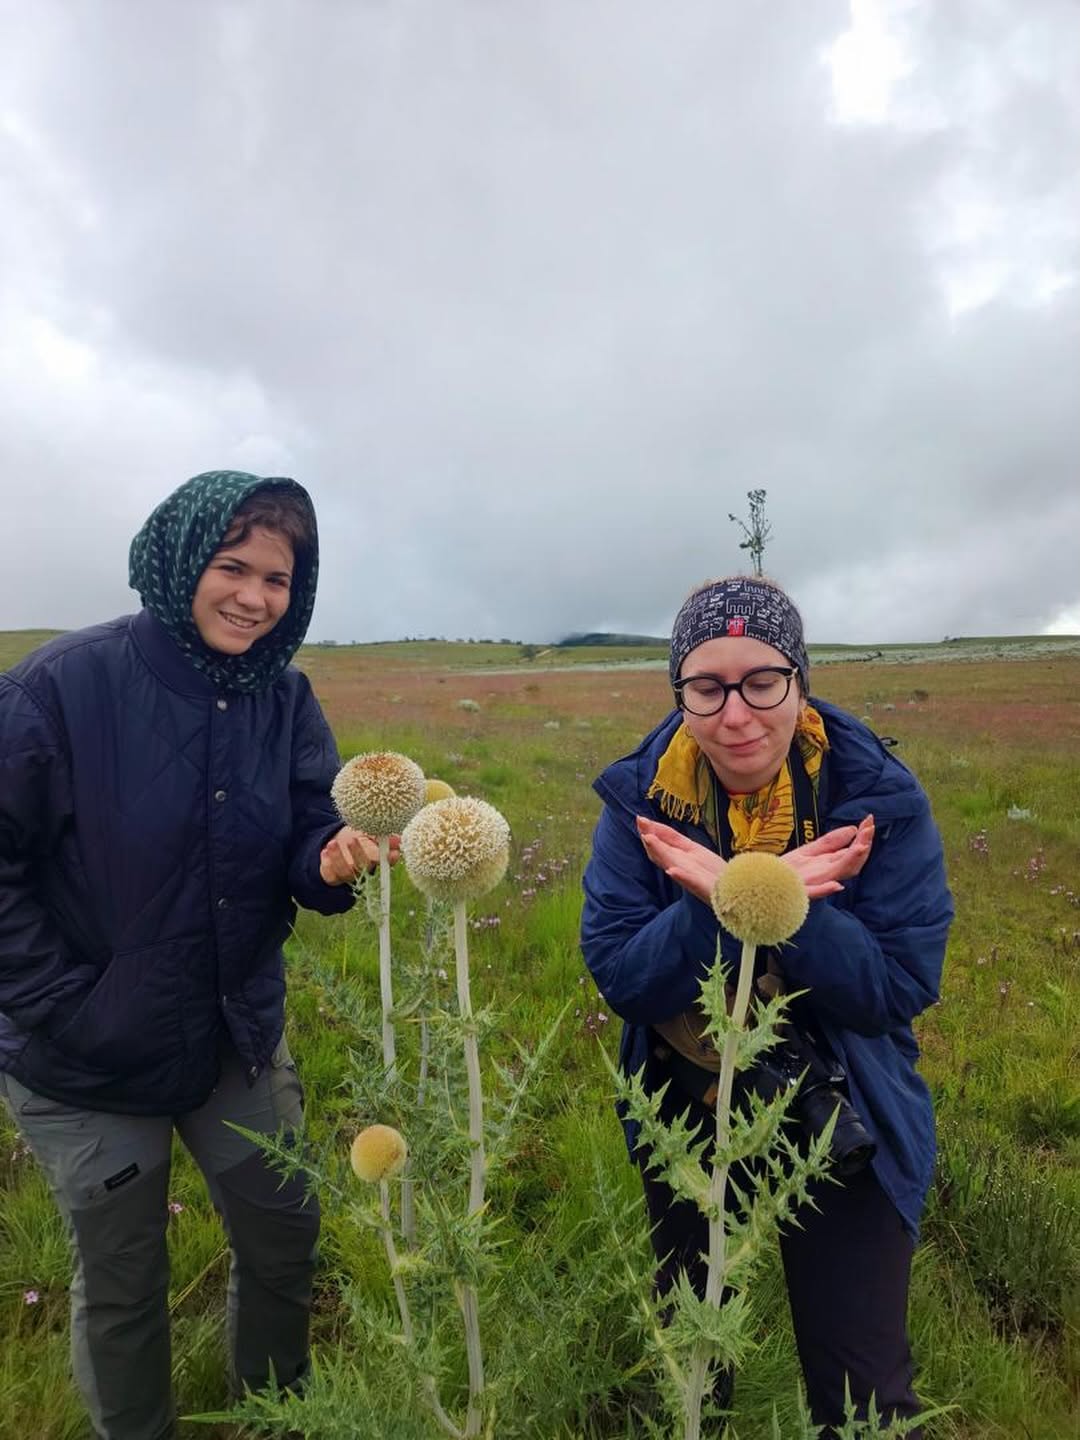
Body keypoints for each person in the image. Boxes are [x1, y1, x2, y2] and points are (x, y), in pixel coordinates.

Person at [0, 470, 388, 1440]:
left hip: (233, 1035)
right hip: (83, 1059)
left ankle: (277, 1406)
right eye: (233, 567)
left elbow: (307, 830)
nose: (255, 598)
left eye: (278, 580)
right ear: (179, 561)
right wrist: (75, 1009)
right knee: (125, 1279)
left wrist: (332, 860)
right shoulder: (58, 689)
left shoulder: (283, 698)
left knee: (284, 1234)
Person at [581, 575, 952, 1437]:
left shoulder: (879, 801)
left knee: (865, 1403)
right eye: (706, 687)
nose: (735, 714)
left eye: (762, 681)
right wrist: (719, 905)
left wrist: (779, 902)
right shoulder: (639, 803)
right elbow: (623, 979)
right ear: (680, 693)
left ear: (800, 680)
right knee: (693, 1376)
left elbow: (897, 988)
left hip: (842, 1113)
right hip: (690, 1112)